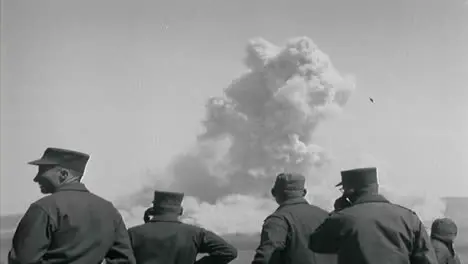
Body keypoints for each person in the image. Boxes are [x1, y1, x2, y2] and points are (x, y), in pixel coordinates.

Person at [8, 147, 136, 264]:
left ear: (63, 174)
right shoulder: (109, 210)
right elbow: (124, 260)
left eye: (42, 171)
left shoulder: (44, 208)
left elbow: (22, 260)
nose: (36, 178)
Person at [309, 167, 438, 264]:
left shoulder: (342, 219)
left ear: (349, 191)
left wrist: (338, 212)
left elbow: (316, 244)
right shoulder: (409, 218)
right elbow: (426, 259)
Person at [127, 190, 238, 264]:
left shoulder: (132, 234)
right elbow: (229, 252)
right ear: (180, 211)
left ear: (154, 209)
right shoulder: (196, 233)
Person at [251, 172, 336, 264]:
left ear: (273, 192)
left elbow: (266, 258)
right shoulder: (327, 216)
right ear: (304, 192)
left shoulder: (278, 220)